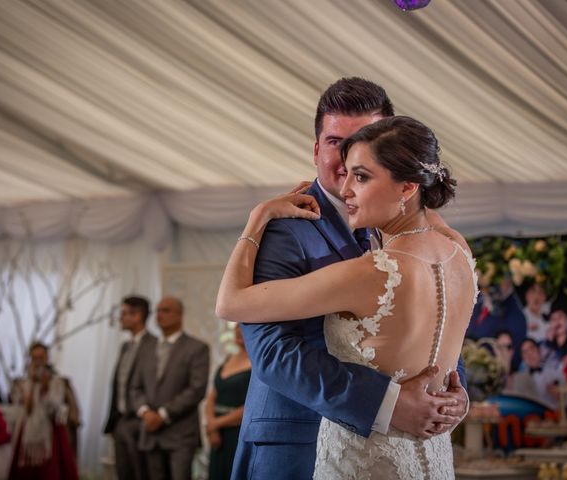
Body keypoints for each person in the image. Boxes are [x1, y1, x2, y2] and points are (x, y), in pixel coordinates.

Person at [219, 78, 469, 480]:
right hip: (301, 442)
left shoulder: (424, 233)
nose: (348, 158)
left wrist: (450, 391)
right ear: (316, 148)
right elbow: (271, 351)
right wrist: (386, 403)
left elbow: (435, 322)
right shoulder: (286, 227)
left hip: (402, 448)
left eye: (363, 142)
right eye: (337, 142)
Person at [130, 296, 210, 480]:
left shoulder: (197, 348)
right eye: (158, 310)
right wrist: (145, 412)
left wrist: (163, 415)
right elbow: (135, 387)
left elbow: (197, 388)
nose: (160, 315)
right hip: (150, 433)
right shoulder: (146, 348)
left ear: (180, 315)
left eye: (166, 310)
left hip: (180, 434)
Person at [104, 296, 157, 480]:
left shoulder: (155, 345)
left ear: (138, 315)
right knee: (123, 473)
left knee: (141, 473)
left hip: (141, 423)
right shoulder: (125, 346)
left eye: (125, 313)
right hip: (120, 422)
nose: (121, 318)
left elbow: (153, 385)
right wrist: (113, 422)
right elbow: (118, 385)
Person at [8, 342, 78, 480]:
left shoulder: (57, 382)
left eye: (41, 357)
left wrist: (45, 388)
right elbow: (21, 408)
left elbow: (54, 407)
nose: (38, 361)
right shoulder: (23, 383)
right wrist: (33, 386)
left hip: (50, 431)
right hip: (27, 432)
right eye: (35, 358)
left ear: (47, 358)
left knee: (50, 470)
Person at [206, 325, 251, 480]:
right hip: (218, 434)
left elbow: (251, 406)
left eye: (244, 325)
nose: (239, 330)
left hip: (238, 432)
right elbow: (212, 396)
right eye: (237, 326)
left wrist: (217, 424)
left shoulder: (257, 363)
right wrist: (211, 426)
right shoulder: (228, 358)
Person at [509, 338, 564, 409]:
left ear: (539, 350)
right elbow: (518, 404)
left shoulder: (555, 374)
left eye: (532, 349)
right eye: (525, 352)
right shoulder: (518, 378)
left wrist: (559, 396)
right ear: (523, 358)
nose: (529, 354)